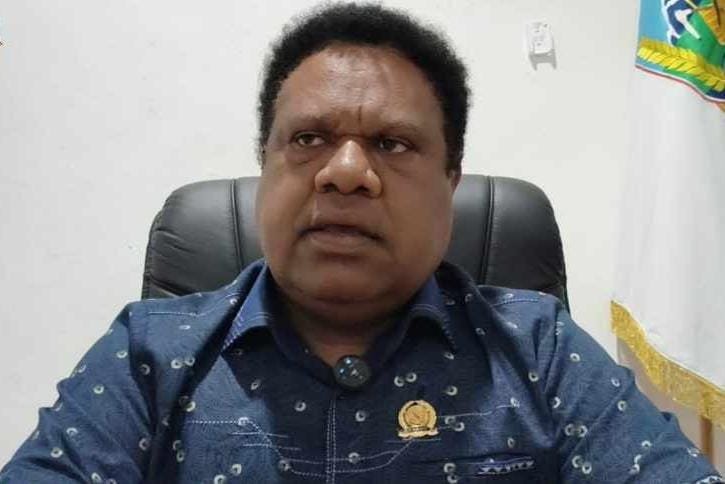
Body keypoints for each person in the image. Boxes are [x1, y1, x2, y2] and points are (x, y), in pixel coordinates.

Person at [1, 3, 722, 483]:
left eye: (392, 143)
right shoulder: (149, 356)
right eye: (308, 139)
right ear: (264, 169)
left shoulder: (540, 350)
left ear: (450, 182)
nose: (345, 171)